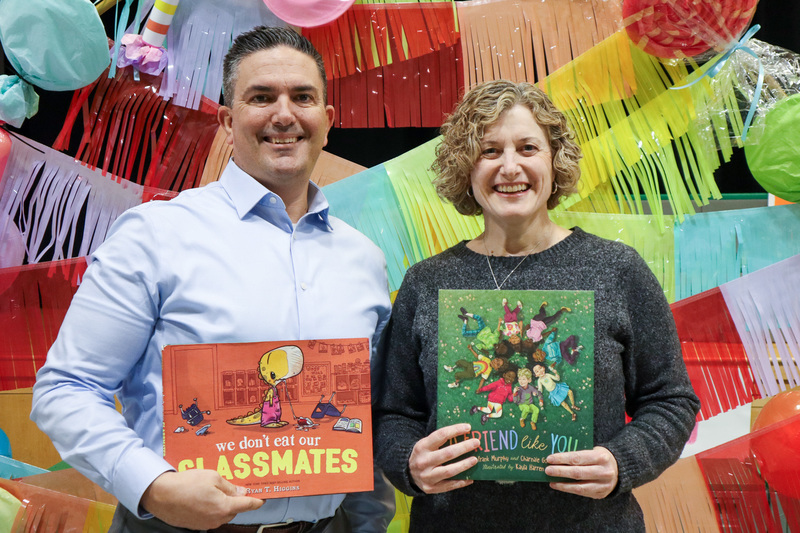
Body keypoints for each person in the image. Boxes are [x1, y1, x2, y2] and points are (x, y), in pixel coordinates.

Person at [31, 26, 394, 533]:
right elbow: (66, 389)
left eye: (302, 97)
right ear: (227, 120)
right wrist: (153, 485)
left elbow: (364, 421)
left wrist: (368, 525)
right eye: (261, 97)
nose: (284, 115)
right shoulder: (155, 234)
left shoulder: (364, 259)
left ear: (327, 120)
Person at [373, 80, 700, 531]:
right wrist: (408, 464)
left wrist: (621, 462)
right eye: (489, 151)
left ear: (554, 160)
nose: (510, 167)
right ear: (465, 167)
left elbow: (670, 399)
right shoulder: (427, 282)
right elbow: (394, 414)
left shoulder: (616, 269)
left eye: (528, 147)